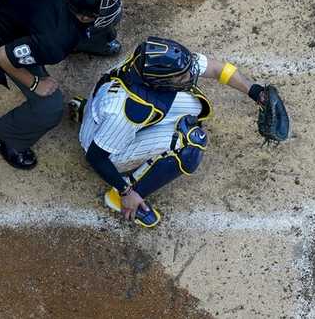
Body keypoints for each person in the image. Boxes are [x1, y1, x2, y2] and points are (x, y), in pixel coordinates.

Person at [70, 36, 290, 228]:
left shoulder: (150, 62)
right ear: (158, 83)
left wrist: (256, 93)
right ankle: (119, 198)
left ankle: (89, 116)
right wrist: (126, 192)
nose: (188, 77)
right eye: (181, 77)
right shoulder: (130, 110)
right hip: (104, 148)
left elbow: (216, 69)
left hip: (101, 109)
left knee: (195, 105)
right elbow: (96, 158)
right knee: (191, 143)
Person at [0, 0, 123, 170]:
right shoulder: (53, 41)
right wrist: (35, 83)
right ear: (82, 16)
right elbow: (1, 56)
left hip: (29, 6)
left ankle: (86, 40)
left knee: (105, 26)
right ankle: (4, 136)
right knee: (49, 106)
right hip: (5, 34)